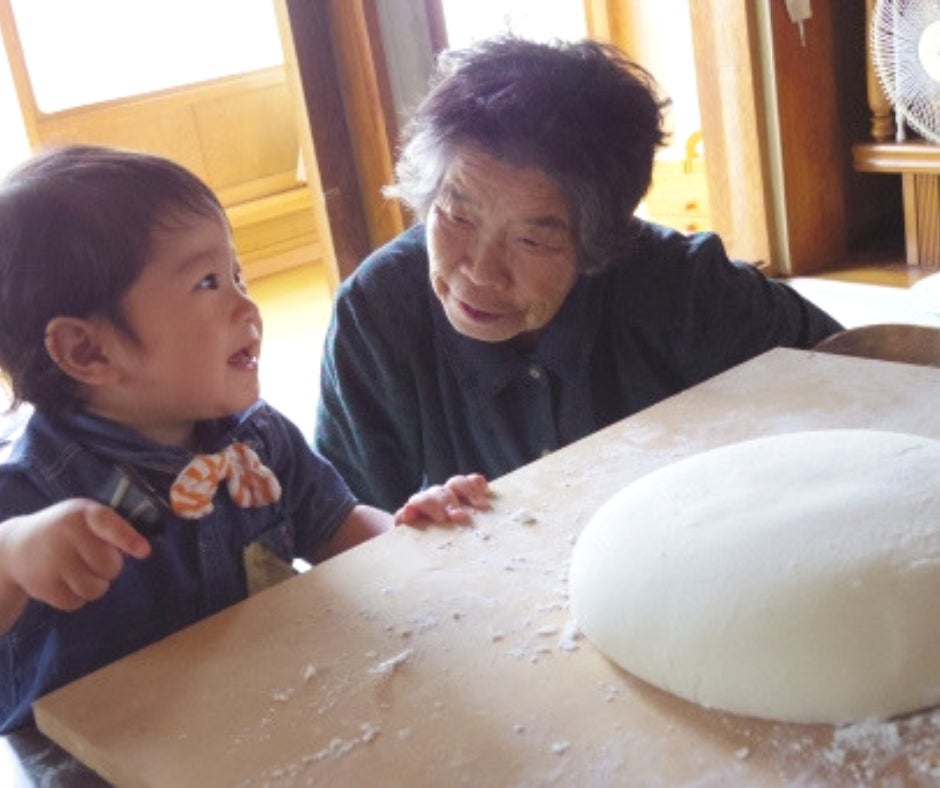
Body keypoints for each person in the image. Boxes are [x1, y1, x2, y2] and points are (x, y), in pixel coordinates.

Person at [0, 145, 490, 733]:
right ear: (87, 350)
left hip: (256, 720)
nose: (247, 305)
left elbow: (337, 530)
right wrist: (13, 558)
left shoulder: (259, 438)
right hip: (91, 758)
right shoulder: (31, 491)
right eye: (208, 282)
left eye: (238, 275)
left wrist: (415, 535)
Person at [314, 36, 844, 513]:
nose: (480, 271)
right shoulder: (378, 311)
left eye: (531, 240)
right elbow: (340, 530)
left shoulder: (684, 290)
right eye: (456, 216)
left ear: (602, 242)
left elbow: (856, 377)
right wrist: (410, 526)